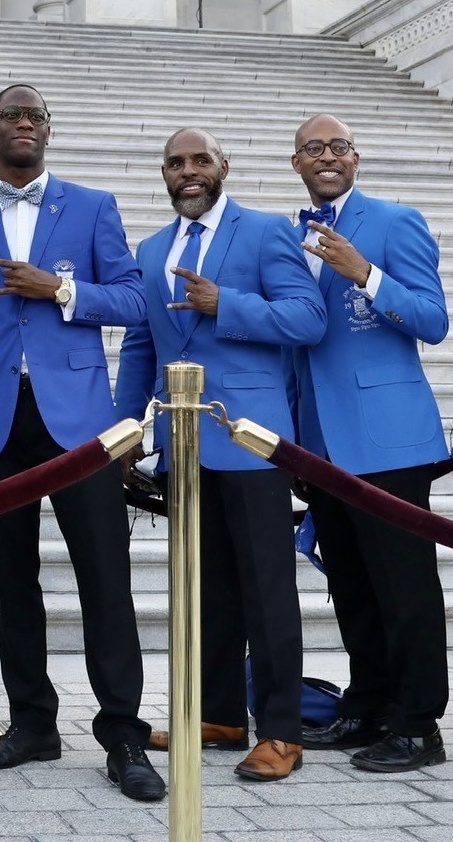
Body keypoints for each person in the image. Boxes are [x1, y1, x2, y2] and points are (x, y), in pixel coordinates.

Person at [0, 84, 163, 803]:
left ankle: (123, 735)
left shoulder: (91, 207)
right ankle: (33, 724)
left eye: (34, 115)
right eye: (11, 116)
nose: (23, 125)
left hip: (79, 424)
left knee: (105, 579)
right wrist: (8, 366)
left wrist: (60, 294)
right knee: (14, 580)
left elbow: (131, 300)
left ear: (48, 130)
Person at [116, 127, 324, 783]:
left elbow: (307, 317)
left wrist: (224, 304)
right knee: (204, 590)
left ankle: (282, 731)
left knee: (268, 591)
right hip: (181, 446)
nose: (188, 171)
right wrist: (126, 433)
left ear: (223, 167)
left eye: (200, 159)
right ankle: (219, 716)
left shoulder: (265, 233)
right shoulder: (151, 248)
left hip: (251, 439)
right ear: (164, 174)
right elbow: (141, 346)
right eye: (176, 163)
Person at [283, 115, 451, 774]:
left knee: (404, 590)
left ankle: (418, 724)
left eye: (338, 147)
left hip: (388, 442)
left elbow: (433, 321)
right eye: (313, 149)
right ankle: (370, 705)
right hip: (321, 443)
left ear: (356, 158)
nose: (326, 157)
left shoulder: (395, 221)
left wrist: (366, 274)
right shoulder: (289, 234)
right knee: (352, 586)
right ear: (296, 162)